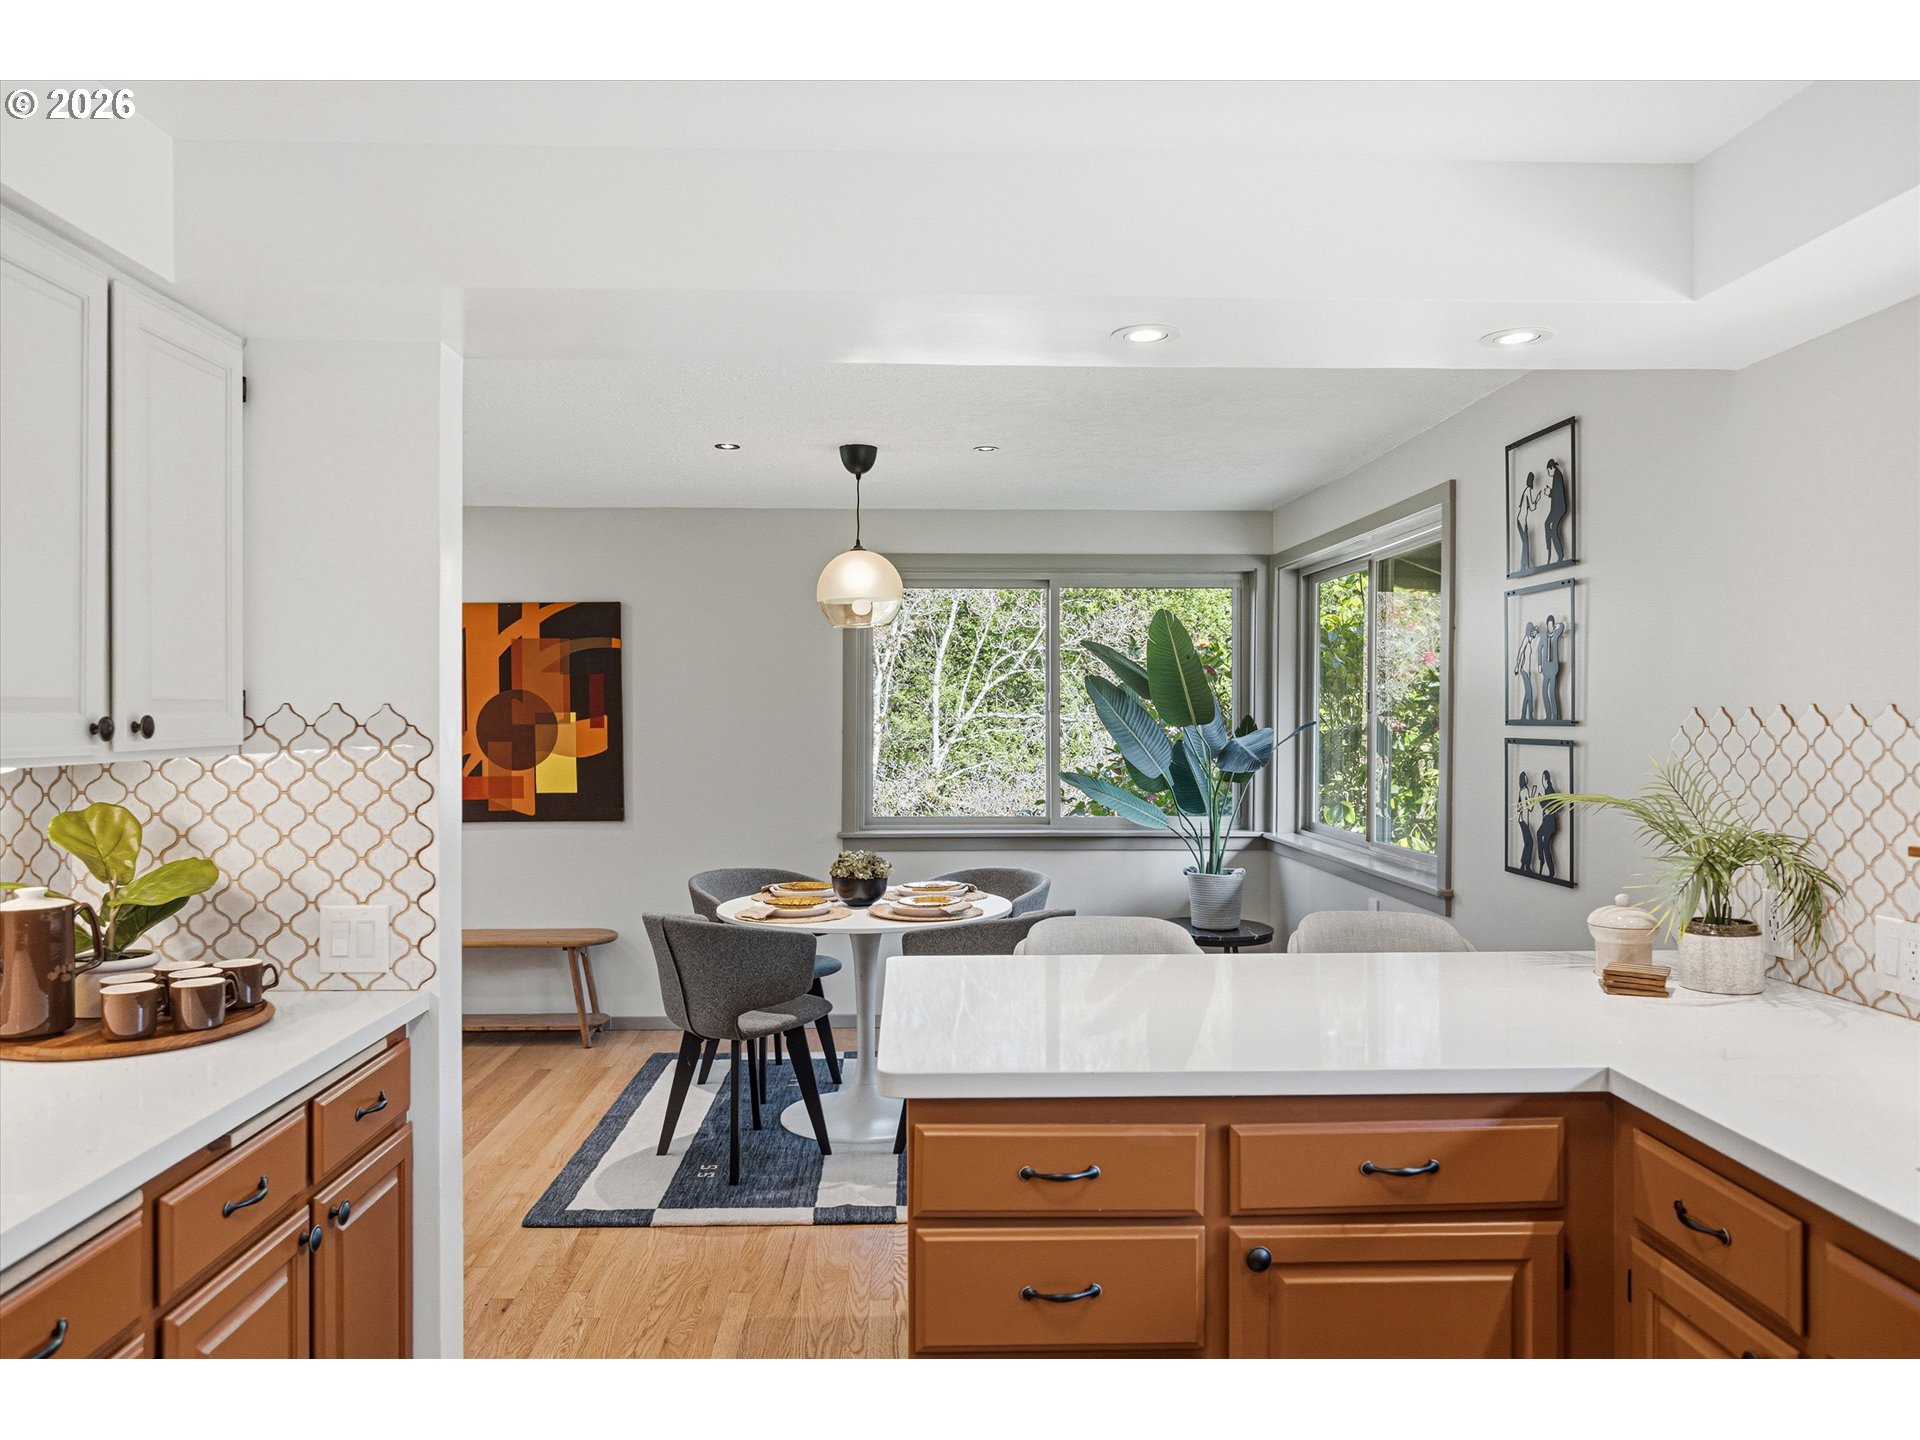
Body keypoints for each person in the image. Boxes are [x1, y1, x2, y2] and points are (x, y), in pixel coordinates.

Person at [1543, 458, 1570, 565]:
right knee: (1547, 524)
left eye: (1548, 470)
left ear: (1551, 468)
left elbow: (1559, 494)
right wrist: (1550, 492)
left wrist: (1550, 492)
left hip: (1558, 508)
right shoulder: (1557, 476)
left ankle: (1558, 554)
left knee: (1553, 528)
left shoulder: (1557, 475)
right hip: (1556, 508)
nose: (1548, 473)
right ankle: (1549, 549)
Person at [1535, 769, 1562, 880]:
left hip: (1550, 824)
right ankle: (1541, 859)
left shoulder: (1550, 790)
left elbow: (1548, 809)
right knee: (1538, 834)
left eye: (1543, 779)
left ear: (1545, 779)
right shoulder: (1547, 790)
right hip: (1546, 823)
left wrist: (1540, 800)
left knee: (1546, 846)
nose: (1542, 781)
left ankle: (1551, 870)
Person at [1538, 614, 1565, 722]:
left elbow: (1562, 626)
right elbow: (1539, 650)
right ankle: (1548, 716)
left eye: (1552, 625)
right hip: (1545, 666)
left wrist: (1558, 624)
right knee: (1544, 691)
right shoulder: (1543, 635)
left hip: (1553, 667)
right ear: (1546, 625)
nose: (1550, 627)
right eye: (1548, 625)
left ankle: (1554, 716)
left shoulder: (1556, 634)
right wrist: (1539, 665)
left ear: (1553, 625)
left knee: (1552, 692)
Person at [1513, 621, 1539, 720]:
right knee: (1529, 692)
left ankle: (1524, 715)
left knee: (1527, 693)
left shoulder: (1531, 641)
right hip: (1524, 670)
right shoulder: (1526, 640)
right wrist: (1517, 666)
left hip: (1529, 671)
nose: (1534, 634)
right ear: (1529, 631)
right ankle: (1530, 714)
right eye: (1533, 631)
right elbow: (1520, 653)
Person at [1514, 472, 1540, 571]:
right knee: (1525, 543)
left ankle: (1524, 566)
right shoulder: (1528, 490)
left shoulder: (1526, 491)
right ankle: (1524, 566)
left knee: (1525, 543)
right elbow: (1532, 507)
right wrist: (1537, 498)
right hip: (1521, 520)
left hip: (1522, 521)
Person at [1515, 772, 1536, 874]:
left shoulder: (1521, 791)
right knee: (1530, 843)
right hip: (1524, 820)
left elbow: (1523, 806)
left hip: (1521, 819)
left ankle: (1524, 865)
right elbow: (1529, 807)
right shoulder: (1525, 791)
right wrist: (1534, 797)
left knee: (1527, 843)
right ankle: (1526, 865)